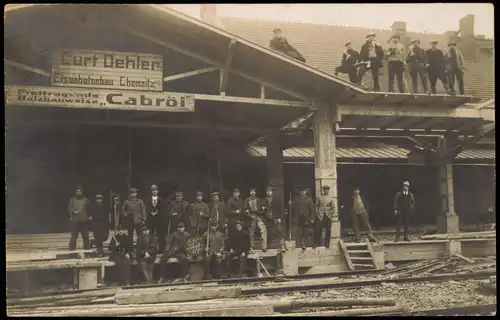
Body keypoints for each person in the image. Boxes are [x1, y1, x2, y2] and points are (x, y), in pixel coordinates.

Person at [68, 185, 91, 251]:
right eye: (77, 191)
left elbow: (89, 209)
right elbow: (69, 209)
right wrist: (73, 212)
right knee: (74, 236)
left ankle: (86, 248)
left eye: (80, 191)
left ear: (82, 192)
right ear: (76, 192)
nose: (79, 193)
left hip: (84, 220)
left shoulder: (86, 200)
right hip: (75, 221)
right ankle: (72, 248)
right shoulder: (72, 200)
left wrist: (88, 216)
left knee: (86, 236)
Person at [262, 186, 285, 251]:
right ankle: (268, 245)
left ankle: (282, 245)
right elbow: (262, 208)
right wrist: (263, 208)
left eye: (270, 191)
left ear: (272, 192)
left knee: (280, 231)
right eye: (267, 191)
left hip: (276, 217)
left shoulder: (277, 199)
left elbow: (280, 209)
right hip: (268, 218)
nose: (268, 192)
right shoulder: (264, 199)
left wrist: (279, 217)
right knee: (269, 232)